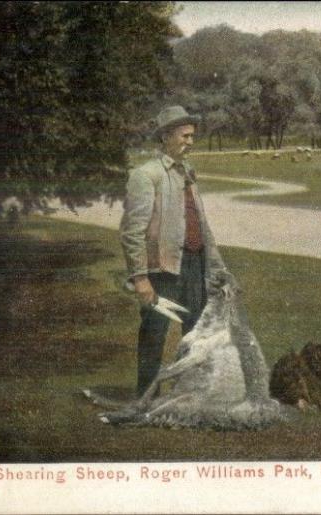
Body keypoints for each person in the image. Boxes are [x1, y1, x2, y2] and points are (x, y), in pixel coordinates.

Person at [120, 105, 227, 396]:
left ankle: (189, 395)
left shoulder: (188, 173)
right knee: (155, 335)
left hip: (194, 267)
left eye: (192, 137)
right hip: (163, 270)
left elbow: (202, 225)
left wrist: (218, 270)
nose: (190, 142)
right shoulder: (146, 175)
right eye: (185, 136)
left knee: (195, 335)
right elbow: (132, 232)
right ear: (166, 136)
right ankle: (146, 399)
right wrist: (140, 278)